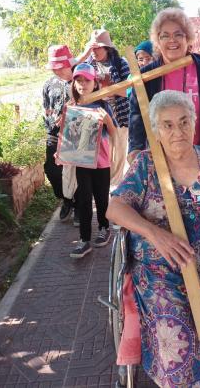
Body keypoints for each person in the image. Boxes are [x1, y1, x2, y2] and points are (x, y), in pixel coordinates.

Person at [107, 90, 200, 387]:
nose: (177, 131)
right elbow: (115, 207)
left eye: (183, 121)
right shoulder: (145, 166)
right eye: (166, 125)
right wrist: (155, 234)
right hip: (160, 272)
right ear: (155, 130)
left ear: (193, 122)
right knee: (176, 345)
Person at [127, 8, 200, 168]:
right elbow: (137, 115)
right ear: (157, 41)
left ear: (188, 38)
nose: (172, 40)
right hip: (160, 160)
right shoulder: (145, 77)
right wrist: (135, 148)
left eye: (178, 34)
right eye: (165, 35)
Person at [58, 63, 119, 258]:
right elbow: (66, 137)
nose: (83, 84)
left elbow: (114, 133)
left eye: (87, 80)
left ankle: (104, 228)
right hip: (81, 163)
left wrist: (107, 120)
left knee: (101, 198)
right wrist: (61, 153)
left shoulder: (103, 105)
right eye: (79, 80)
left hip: (101, 162)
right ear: (74, 83)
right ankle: (84, 240)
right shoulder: (71, 107)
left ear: (95, 82)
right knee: (83, 200)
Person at [84, 29, 131, 187]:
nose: (94, 52)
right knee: (102, 156)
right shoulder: (88, 65)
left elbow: (129, 92)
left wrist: (110, 87)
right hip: (98, 119)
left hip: (120, 118)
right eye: (93, 48)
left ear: (107, 48)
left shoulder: (120, 63)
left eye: (98, 48)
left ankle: (115, 189)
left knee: (118, 156)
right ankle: (103, 187)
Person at [42, 44, 79, 221]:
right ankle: (67, 200)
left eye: (59, 67)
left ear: (68, 63)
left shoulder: (82, 80)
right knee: (51, 169)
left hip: (76, 133)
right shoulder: (49, 83)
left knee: (78, 173)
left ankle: (80, 205)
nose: (56, 71)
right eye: (54, 68)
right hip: (54, 133)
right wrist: (50, 121)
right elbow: (46, 107)